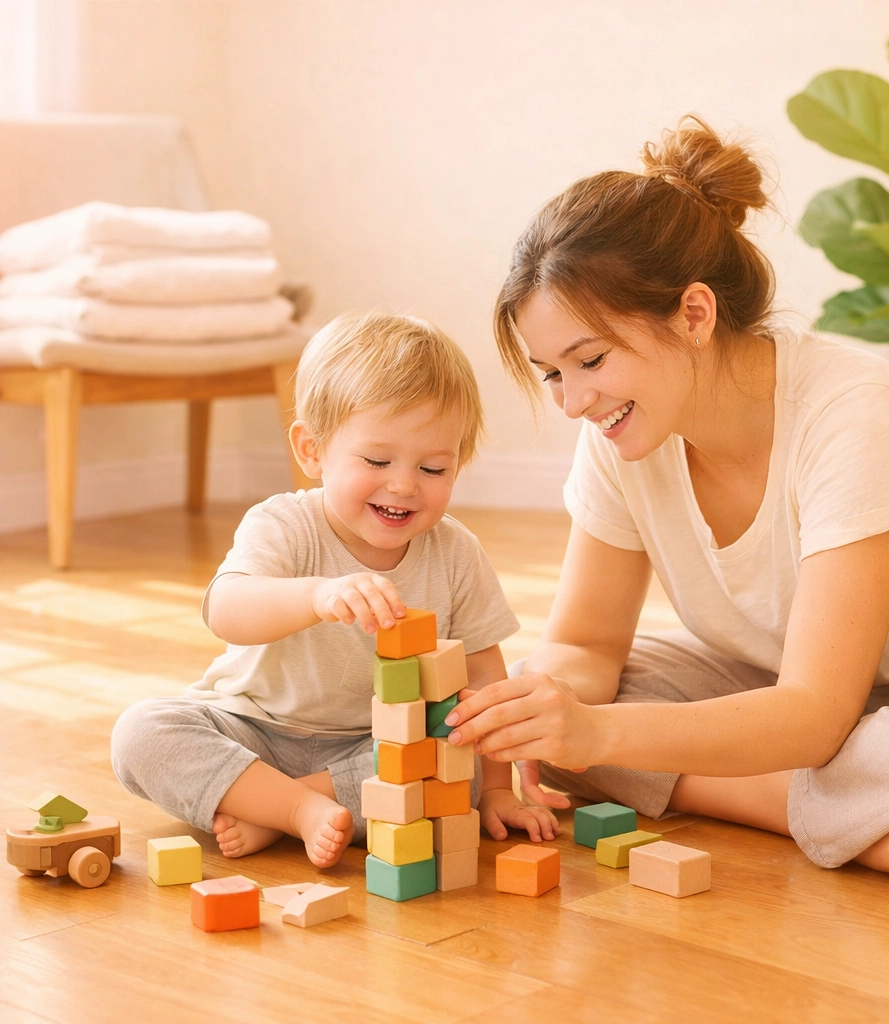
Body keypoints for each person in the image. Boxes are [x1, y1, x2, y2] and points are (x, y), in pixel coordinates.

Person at [444, 116, 889, 899]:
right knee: (549, 719)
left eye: (591, 359)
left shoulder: (852, 413)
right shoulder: (621, 431)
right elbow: (585, 644)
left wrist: (598, 735)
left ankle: (833, 801)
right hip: (792, 672)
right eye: (552, 372)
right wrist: (522, 713)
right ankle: (849, 811)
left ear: (694, 314)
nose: (575, 400)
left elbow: (817, 713)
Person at [111, 310, 558, 868]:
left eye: (434, 469)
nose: (404, 484)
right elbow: (227, 609)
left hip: (373, 750)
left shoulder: (456, 553)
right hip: (256, 730)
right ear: (312, 450)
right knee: (141, 734)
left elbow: (483, 681)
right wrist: (315, 596)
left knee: (452, 776)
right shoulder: (283, 524)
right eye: (377, 460)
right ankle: (297, 810)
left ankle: (269, 806)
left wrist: (496, 789)